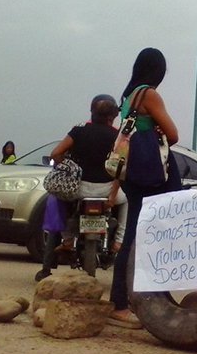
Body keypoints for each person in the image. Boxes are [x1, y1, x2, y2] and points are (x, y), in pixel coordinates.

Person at [108, 48, 180, 329]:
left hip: (134, 176)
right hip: (151, 177)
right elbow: (173, 135)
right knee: (145, 237)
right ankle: (121, 304)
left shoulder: (128, 97)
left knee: (137, 236)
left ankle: (126, 300)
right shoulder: (149, 94)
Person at [35, 94, 128, 281]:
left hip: (78, 190)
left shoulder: (78, 130)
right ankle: (119, 240)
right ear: (113, 116)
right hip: (106, 191)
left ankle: (65, 242)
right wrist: (113, 194)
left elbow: (56, 153)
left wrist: (69, 168)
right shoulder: (119, 137)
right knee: (128, 202)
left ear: (92, 112)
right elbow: (121, 168)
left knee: (57, 201)